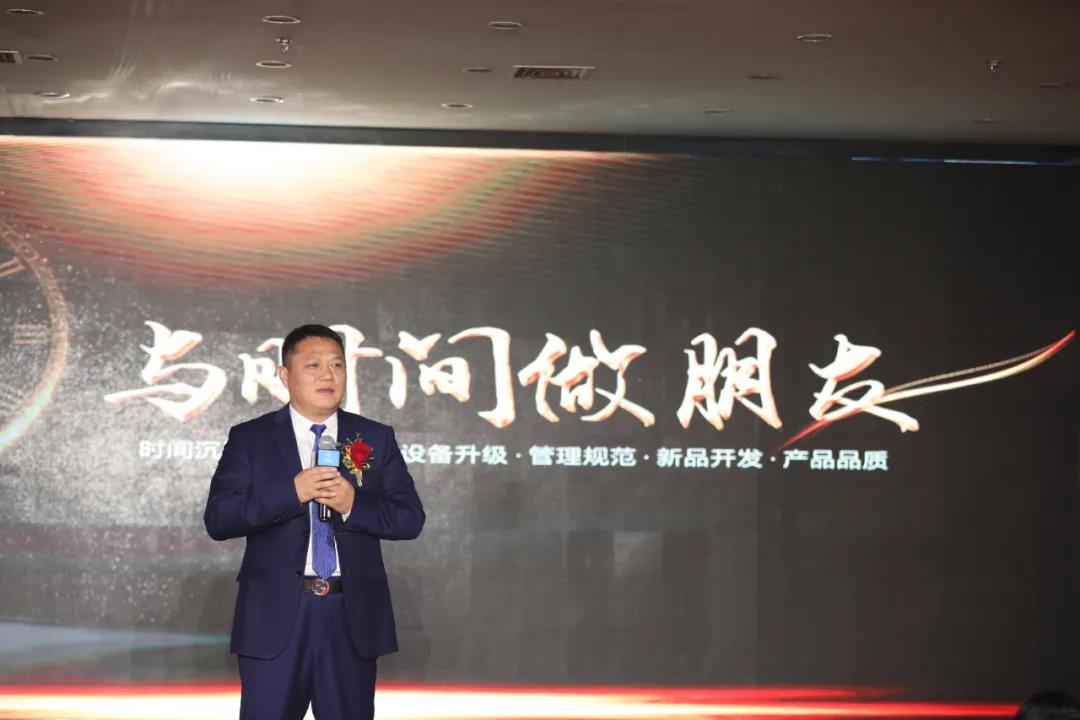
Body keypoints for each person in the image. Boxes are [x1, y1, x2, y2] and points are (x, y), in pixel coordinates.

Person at [204, 323, 425, 720]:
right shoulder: (250, 439)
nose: (328, 375)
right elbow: (220, 519)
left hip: (349, 617)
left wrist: (353, 504)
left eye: (337, 365)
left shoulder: (375, 438)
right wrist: (293, 492)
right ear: (285, 375)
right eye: (314, 365)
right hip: (275, 618)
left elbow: (410, 519)